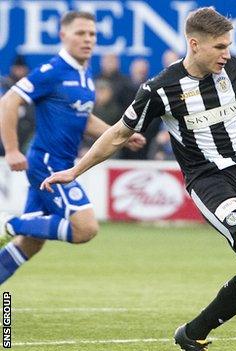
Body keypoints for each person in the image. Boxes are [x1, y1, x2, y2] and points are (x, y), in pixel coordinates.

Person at [41, 7, 236, 350]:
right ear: (194, 44)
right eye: (219, 47)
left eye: (228, 45)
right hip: (208, 180)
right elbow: (117, 134)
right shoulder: (160, 89)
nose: (226, 54)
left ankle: (192, 332)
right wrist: (75, 169)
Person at [0, 11, 145, 284]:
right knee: (85, 228)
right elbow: (9, 101)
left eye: (92, 34)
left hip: (59, 164)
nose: (88, 39)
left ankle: (12, 227)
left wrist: (121, 134)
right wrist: (11, 149)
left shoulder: (84, 73)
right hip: (48, 164)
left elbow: (82, 117)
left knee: (30, 243)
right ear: (63, 35)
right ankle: (7, 222)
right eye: (80, 33)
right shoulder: (52, 71)